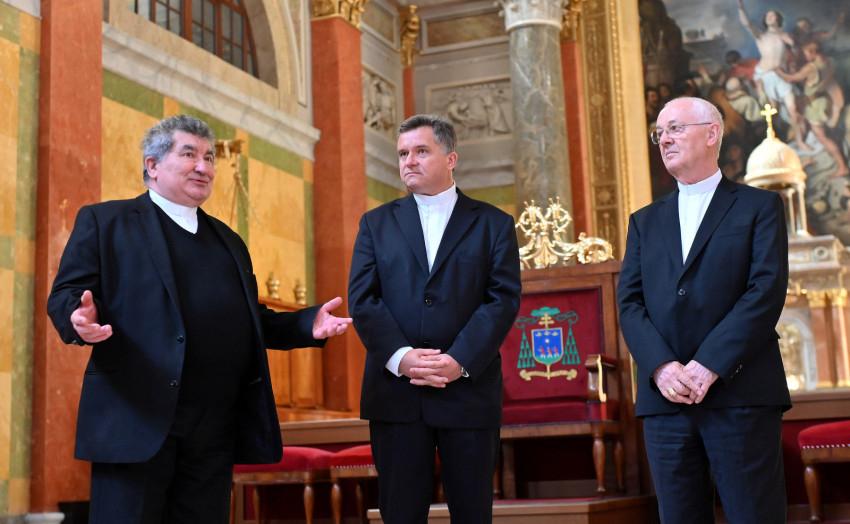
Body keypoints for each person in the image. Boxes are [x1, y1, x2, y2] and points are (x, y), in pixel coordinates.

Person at [46, 114, 352, 524]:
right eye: (189, 154)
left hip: (213, 430)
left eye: (209, 158)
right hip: (137, 418)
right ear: (152, 165)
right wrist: (78, 318)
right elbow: (66, 294)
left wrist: (304, 325)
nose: (203, 167)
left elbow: (250, 321)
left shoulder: (229, 242)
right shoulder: (107, 222)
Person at [617, 97, 791, 524]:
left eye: (675, 128)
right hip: (666, 402)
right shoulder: (643, 221)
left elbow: (764, 293)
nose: (664, 139)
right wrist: (661, 368)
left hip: (740, 393)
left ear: (712, 133)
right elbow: (630, 304)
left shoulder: (758, 207)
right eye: (659, 133)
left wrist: (709, 364)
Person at [348, 114, 522, 523]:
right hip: (396, 393)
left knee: (472, 514)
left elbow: (501, 299)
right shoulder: (375, 223)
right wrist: (402, 357)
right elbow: (363, 299)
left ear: (451, 158)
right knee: (400, 514)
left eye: (421, 151)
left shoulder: (494, 224)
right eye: (403, 153)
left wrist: (459, 359)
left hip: (467, 392)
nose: (409, 161)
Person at [737, 0, 811, 151]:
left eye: (772, 16)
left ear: (778, 19)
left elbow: (797, 54)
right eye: (767, 16)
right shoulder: (761, 36)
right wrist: (740, 6)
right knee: (772, 112)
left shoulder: (786, 36)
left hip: (782, 76)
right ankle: (774, 142)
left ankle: (800, 141)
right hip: (766, 76)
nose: (769, 18)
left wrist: (793, 46)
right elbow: (747, 24)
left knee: (793, 110)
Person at [775, 40, 849, 178]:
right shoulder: (830, 61)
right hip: (824, 99)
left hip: (815, 105)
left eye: (806, 53)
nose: (805, 56)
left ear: (814, 52)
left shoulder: (811, 67)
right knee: (824, 133)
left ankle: (842, 167)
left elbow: (790, 79)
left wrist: (778, 71)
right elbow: (813, 80)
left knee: (823, 137)